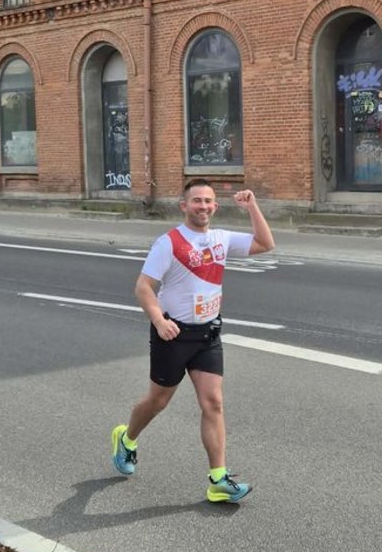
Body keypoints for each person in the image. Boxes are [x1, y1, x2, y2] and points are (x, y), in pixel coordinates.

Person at [112, 178, 275, 503]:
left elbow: (264, 243)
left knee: (213, 403)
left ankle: (218, 480)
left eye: (208, 201)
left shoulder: (221, 239)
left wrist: (252, 206)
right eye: (197, 201)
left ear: (215, 206)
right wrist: (159, 321)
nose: (203, 206)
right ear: (184, 206)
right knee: (158, 402)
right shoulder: (169, 242)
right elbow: (143, 287)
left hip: (207, 335)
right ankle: (127, 439)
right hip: (172, 335)